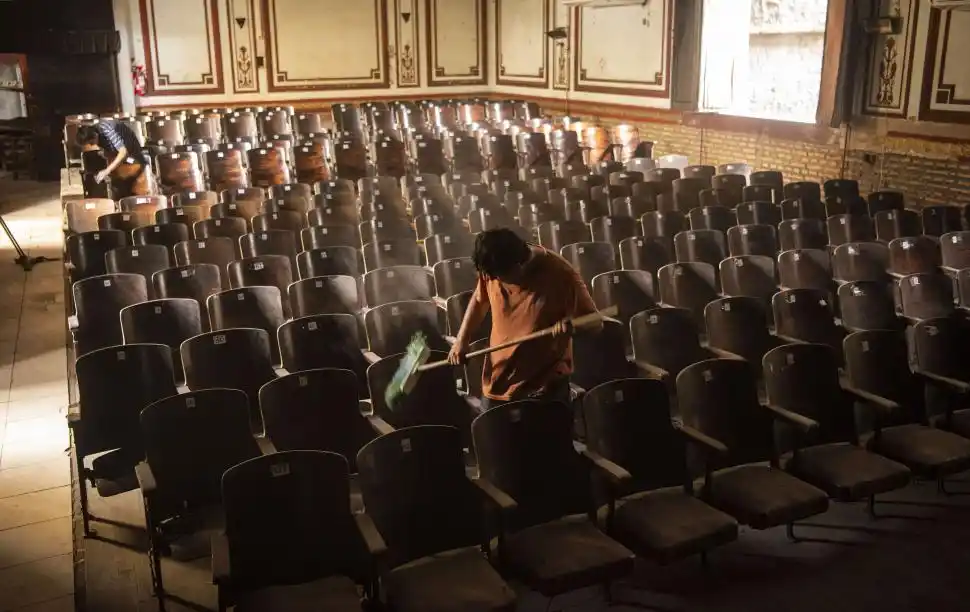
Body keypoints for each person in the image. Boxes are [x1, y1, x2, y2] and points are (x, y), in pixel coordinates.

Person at [448, 228, 602, 410]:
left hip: (544, 388)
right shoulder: (493, 265)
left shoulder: (561, 275)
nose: (493, 280)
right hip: (498, 381)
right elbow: (480, 299)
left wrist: (572, 327)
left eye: (499, 277)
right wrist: (462, 340)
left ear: (519, 266)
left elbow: (595, 323)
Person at [75, 121, 155, 197]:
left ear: (95, 134)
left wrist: (107, 170)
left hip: (132, 154)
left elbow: (123, 152)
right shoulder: (96, 133)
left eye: (92, 143)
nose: (93, 145)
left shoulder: (108, 131)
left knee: (128, 179)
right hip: (117, 154)